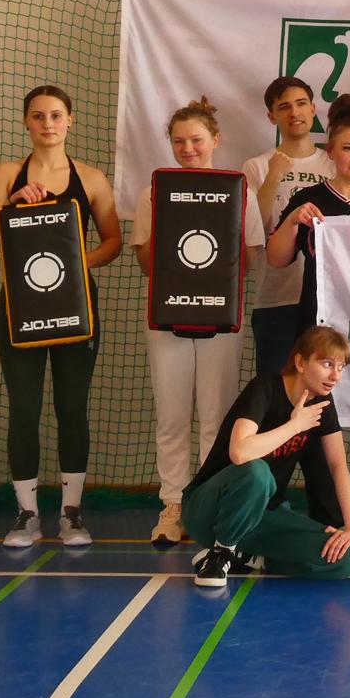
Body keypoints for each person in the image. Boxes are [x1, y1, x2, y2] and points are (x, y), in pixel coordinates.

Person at [0, 85, 121, 549]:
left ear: (70, 120)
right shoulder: (7, 174)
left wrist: (77, 267)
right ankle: (27, 514)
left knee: (72, 408)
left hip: (76, 308)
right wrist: (11, 203)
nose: (48, 124)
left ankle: (71, 514)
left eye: (56, 115)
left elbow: (113, 242)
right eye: (38, 116)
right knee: (24, 408)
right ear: (26, 122)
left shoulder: (91, 178)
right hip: (21, 308)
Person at [267, 95, 350, 537]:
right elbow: (276, 259)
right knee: (316, 425)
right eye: (348, 148)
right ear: (332, 152)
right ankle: (326, 521)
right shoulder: (309, 200)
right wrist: (293, 221)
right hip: (318, 332)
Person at [132, 96, 265, 546]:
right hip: (167, 318)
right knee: (171, 417)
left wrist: (217, 246)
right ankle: (173, 505)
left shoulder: (239, 191)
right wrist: (170, 223)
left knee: (217, 418)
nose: (188, 148)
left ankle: (206, 507)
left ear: (215, 140)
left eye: (196, 140)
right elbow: (146, 264)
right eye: (179, 141)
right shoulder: (154, 192)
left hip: (219, 318)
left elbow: (249, 259)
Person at [186, 325, 350, 587]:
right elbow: (240, 452)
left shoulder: (323, 404)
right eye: (327, 364)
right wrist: (295, 425)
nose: (335, 375)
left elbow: (338, 466)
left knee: (344, 559)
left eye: (341, 367)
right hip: (209, 511)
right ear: (300, 363)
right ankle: (221, 553)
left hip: (262, 515)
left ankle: (251, 558)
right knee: (257, 472)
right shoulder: (264, 388)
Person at [241, 77, 335, 376]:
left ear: (313, 109)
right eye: (284, 107)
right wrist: (274, 177)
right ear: (272, 116)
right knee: (274, 387)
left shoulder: (333, 164)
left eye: (301, 103)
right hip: (275, 297)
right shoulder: (256, 166)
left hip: (325, 299)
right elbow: (254, 228)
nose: (294, 112)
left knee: (321, 387)